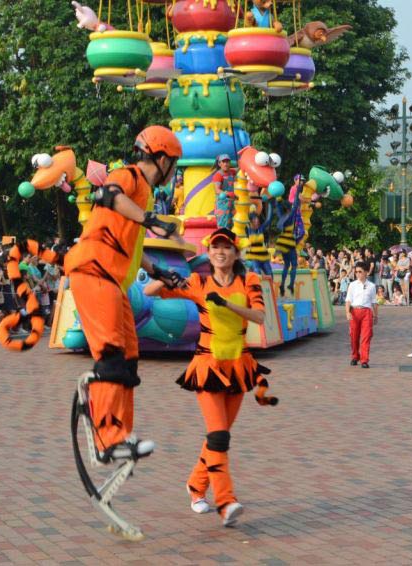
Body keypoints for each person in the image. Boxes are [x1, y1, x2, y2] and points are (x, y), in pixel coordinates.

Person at [63, 125, 186, 464]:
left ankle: (121, 432)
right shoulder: (129, 176)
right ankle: (107, 438)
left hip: (112, 281)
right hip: (93, 271)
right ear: (161, 159)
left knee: (130, 357)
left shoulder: (143, 192)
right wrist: (151, 220)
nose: (173, 173)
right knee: (112, 355)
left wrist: (159, 270)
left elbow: (132, 242)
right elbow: (109, 195)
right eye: (173, 165)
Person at [145, 228, 275, 528]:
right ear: (209, 253)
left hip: (239, 368)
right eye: (215, 247)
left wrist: (226, 303)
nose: (220, 252)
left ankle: (195, 486)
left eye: (226, 247)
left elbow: (259, 317)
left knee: (218, 436)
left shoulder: (249, 280)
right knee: (219, 436)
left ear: (235, 253)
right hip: (207, 367)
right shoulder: (198, 282)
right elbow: (150, 292)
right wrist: (180, 272)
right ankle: (226, 501)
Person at [345, 261, 378, 368]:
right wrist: (347, 312)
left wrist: (376, 315)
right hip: (354, 312)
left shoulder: (372, 286)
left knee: (366, 337)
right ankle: (355, 357)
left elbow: (374, 302)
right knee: (354, 337)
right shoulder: (352, 285)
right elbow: (348, 300)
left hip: (366, 312)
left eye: (360, 272)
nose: (358, 274)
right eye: (356, 272)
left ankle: (364, 360)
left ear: (366, 273)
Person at [211, 155, 236, 230]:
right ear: (219, 164)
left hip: (232, 203)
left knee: (233, 224)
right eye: (223, 162)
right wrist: (228, 193)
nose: (226, 164)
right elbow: (217, 190)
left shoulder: (232, 172)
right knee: (223, 225)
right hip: (222, 204)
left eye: (227, 162)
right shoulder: (218, 175)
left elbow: (241, 169)